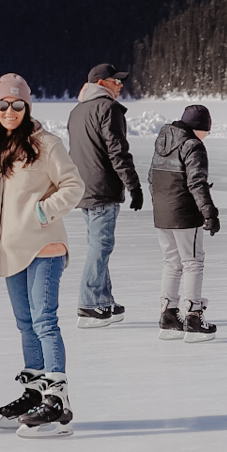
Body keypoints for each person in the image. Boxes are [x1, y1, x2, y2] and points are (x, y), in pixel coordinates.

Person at [0, 73, 84, 438]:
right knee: (26, 324)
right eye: (3, 105)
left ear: (27, 106)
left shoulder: (46, 143)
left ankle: (57, 398)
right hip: (11, 249)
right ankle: (35, 391)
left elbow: (74, 184)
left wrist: (43, 212)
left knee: (44, 321)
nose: (10, 111)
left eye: (17, 104)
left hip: (44, 247)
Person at [66, 63, 144, 329]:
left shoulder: (77, 111)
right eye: (115, 81)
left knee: (98, 245)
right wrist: (133, 184)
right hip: (102, 189)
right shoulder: (108, 109)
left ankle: (103, 299)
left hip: (84, 189)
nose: (120, 85)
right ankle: (88, 304)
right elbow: (117, 150)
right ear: (101, 83)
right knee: (100, 247)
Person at [148, 102, 221, 338]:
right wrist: (208, 211)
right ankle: (193, 315)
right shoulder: (193, 146)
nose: (206, 135)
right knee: (193, 262)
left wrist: (161, 205)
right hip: (184, 213)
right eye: (206, 130)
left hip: (162, 213)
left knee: (172, 263)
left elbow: (151, 178)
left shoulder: (163, 142)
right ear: (198, 127)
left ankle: (168, 314)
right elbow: (196, 183)